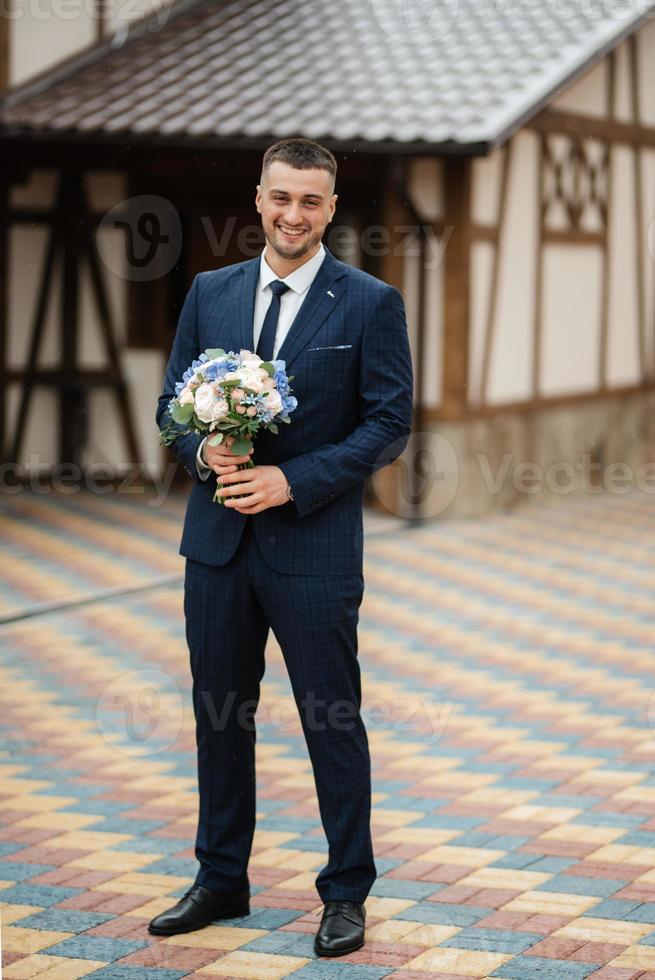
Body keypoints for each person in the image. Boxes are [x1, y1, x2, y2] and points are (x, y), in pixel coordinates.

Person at [152, 138, 413, 957]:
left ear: (331, 210)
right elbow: (171, 402)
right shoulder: (209, 290)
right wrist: (201, 452)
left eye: (310, 201)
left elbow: (388, 422)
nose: (292, 215)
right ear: (257, 199)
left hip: (313, 548)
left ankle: (345, 892)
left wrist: (292, 481)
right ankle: (220, 879)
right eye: (279, 198)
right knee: (218, 718)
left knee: (330, 721)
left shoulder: (370, 301)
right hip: (217, 545)